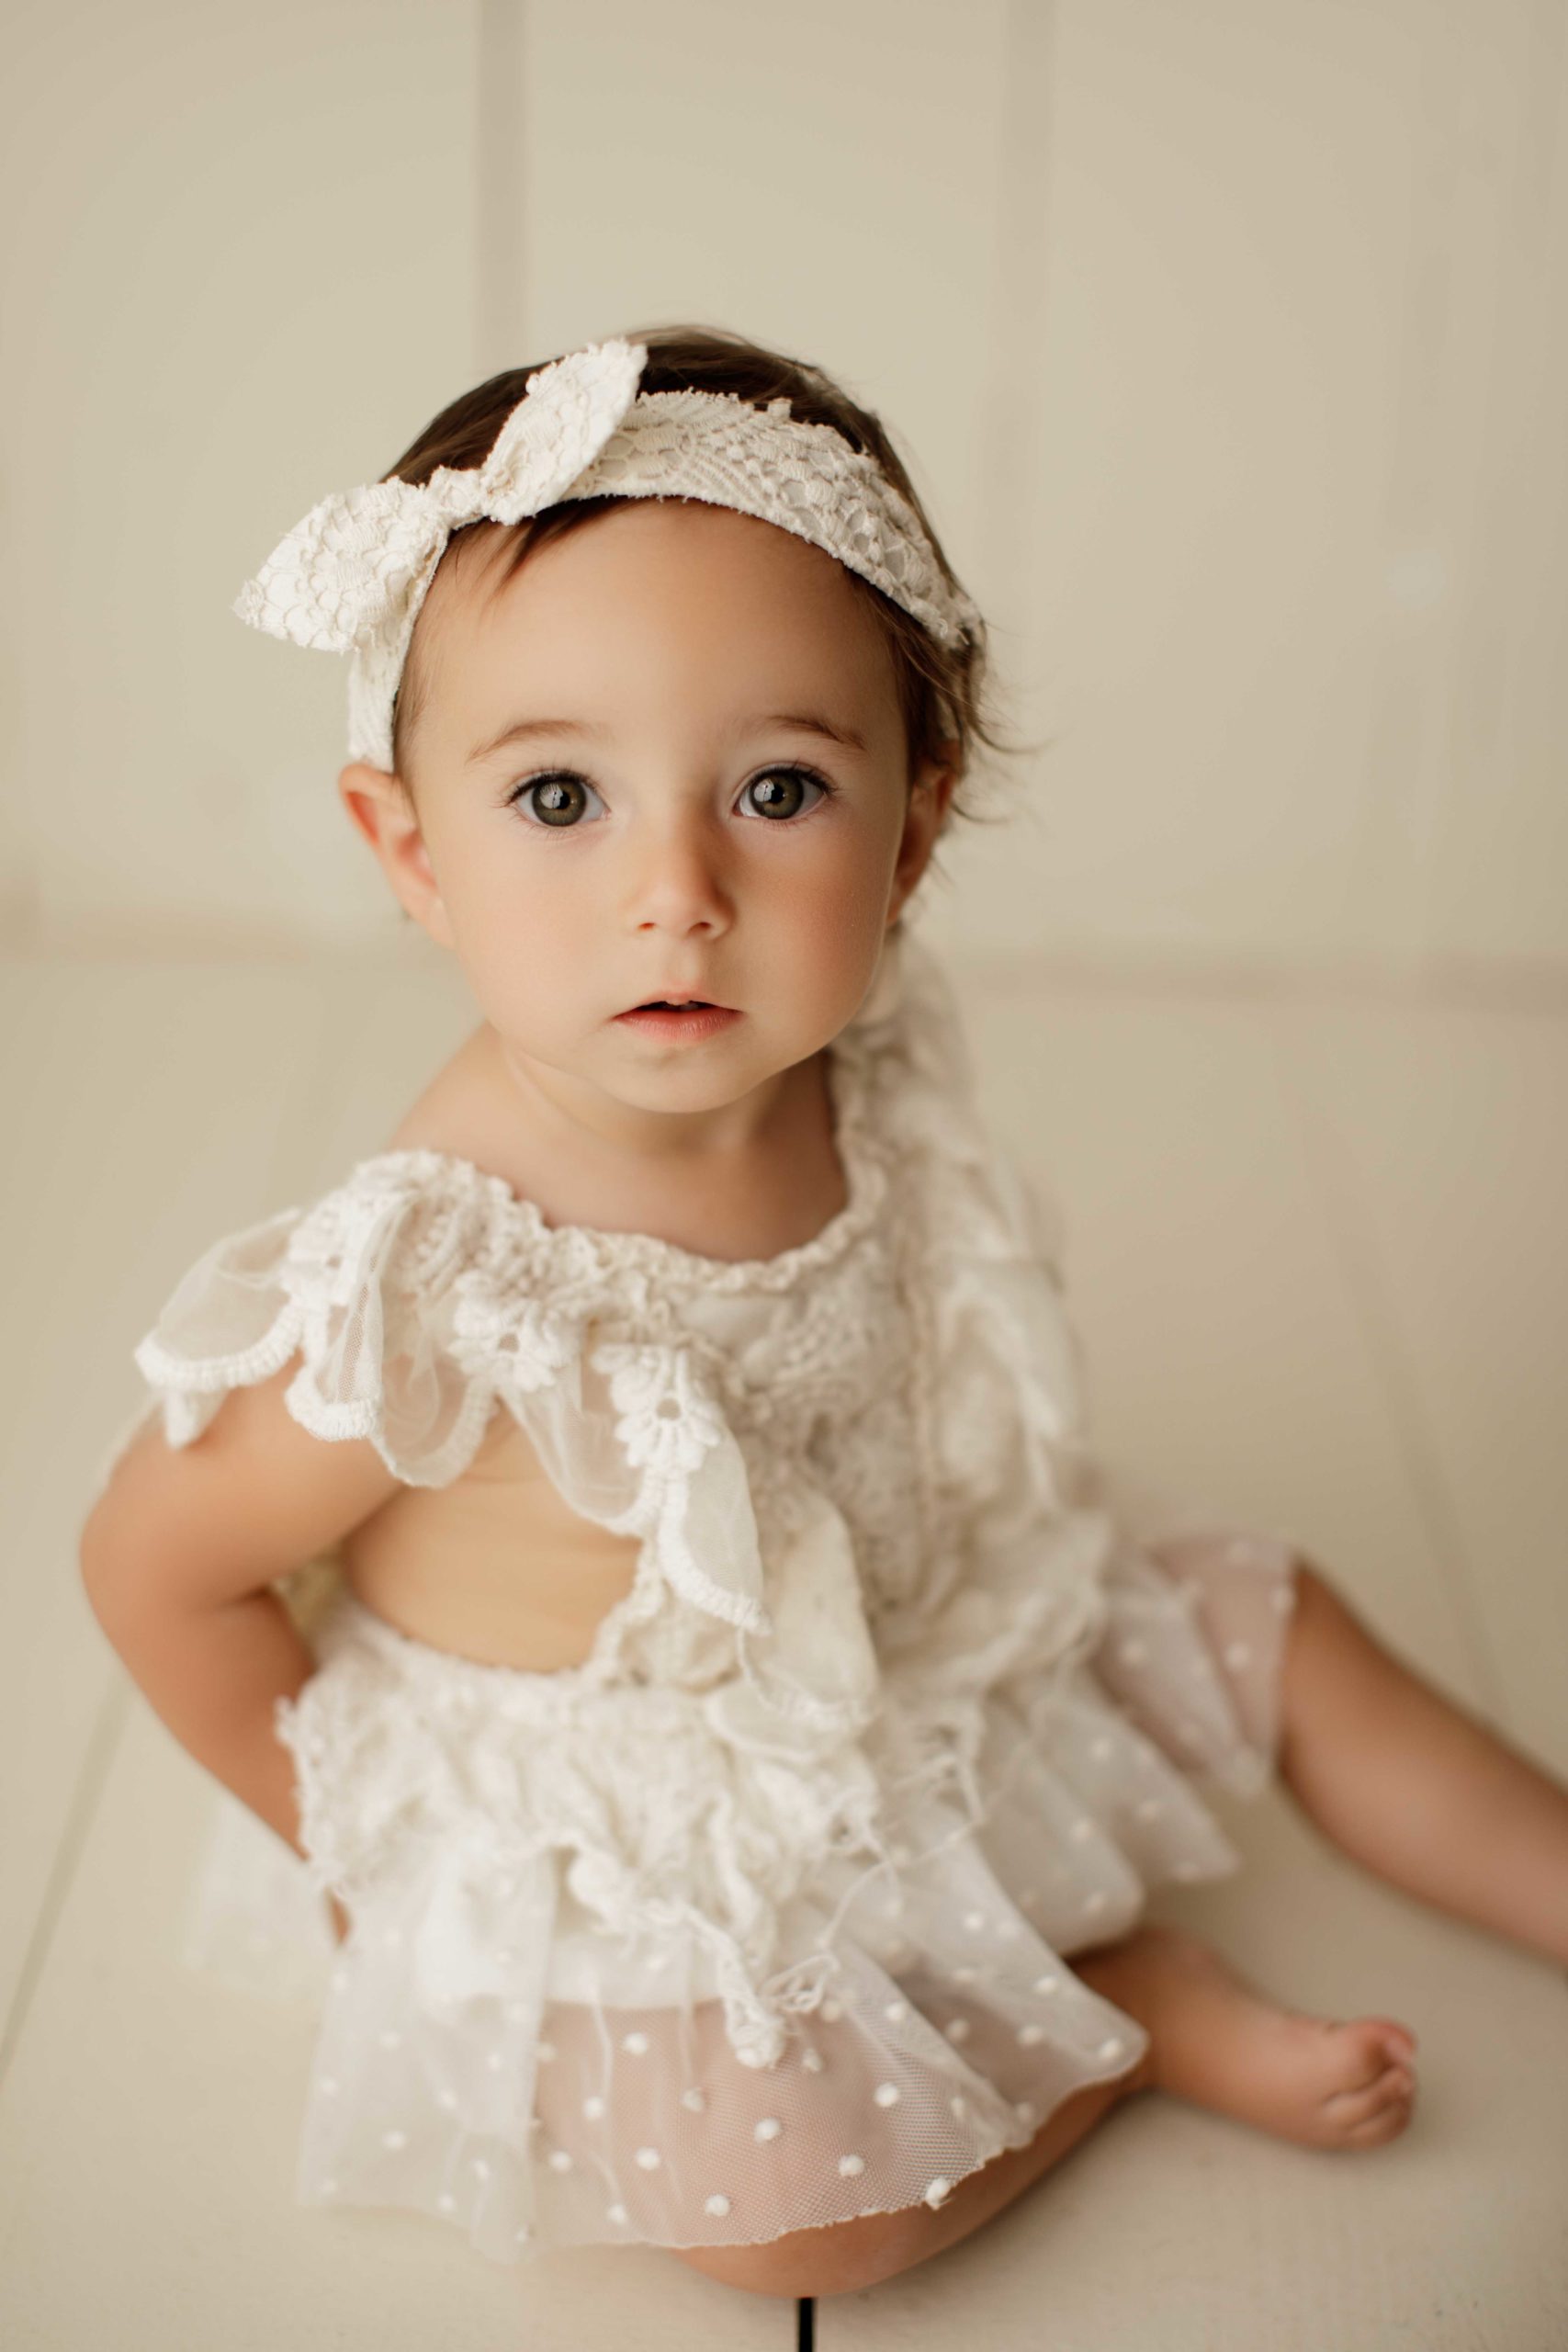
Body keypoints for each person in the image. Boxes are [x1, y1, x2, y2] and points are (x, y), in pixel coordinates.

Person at [76, 326, 1568, 2302]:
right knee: (797, 2222)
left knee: (1281, 1626)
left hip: (913, 1627)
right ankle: (1132, 2022)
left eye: (777, 786)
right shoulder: (447, 1283)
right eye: (557, 798)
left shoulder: (852, 1061)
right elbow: (149, 1565)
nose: (676, 889)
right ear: (409, 847)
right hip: (645, 1812)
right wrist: (369, 1864)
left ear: (912, 831)